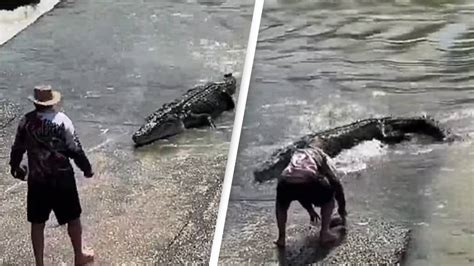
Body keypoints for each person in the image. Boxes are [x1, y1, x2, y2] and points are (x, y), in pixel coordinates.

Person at [9, 85, 95, 266]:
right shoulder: (62, 120)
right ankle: (79, 256)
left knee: (37, 223)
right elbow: (74, 149)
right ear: (52, 102)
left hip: (38, 181)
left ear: (36, 103)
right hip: (62, 179)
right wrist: (86, 168)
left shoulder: (26, 122)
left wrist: (15, 166)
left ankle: (39, 263)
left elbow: (17, 148)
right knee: (73, 218)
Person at [274, 138, 347, 248]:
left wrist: (310, 210)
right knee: (329, 199)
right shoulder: (321, 155)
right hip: (308, 178)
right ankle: (324, 233)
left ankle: (281, 238)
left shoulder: (297, 154)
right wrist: (342, 209)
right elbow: (336, 183)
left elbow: (298, 189)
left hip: (285, 180)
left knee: (281, 206)